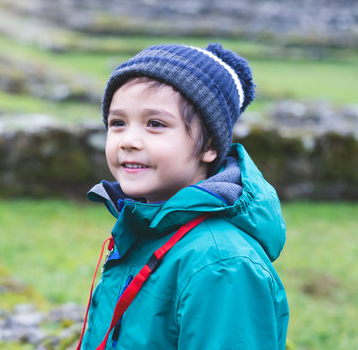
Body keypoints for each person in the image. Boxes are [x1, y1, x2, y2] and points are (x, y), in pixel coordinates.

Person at [79, 44, 289, 349]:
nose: (128, 141)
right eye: (118, 123)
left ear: (210, 147)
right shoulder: (146, 228)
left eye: (155, 124)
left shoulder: (221, 264)